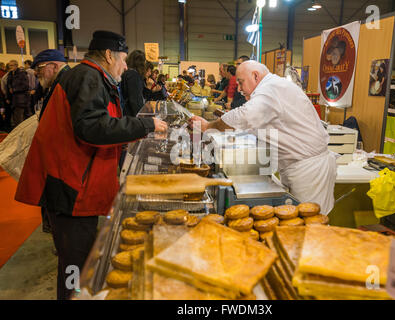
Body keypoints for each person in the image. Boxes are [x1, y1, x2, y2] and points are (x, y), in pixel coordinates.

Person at [15, 30, 167, 300]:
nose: (124, 66)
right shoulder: (88, 76)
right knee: (76, 266)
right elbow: (92, 127)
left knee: (79, 262)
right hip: (70, 188)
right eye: (122, 60)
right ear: (109, 55)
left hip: (75, 185)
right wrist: (145, 125)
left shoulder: (92, 76)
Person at [189, 61, 337, 214]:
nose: (239, 89)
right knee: (296, 222)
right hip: (296, 167)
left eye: (241, 82)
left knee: (311, 223)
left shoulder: (272, 88)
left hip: (309, 171)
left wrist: (209, 127)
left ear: (255, 76)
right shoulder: (269, 90)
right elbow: (251, 127)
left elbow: (245, 117)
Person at [31, 49, 71, 234]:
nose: (37, 73)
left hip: (62, 162)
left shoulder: (65, 83)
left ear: (54, 66)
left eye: (39, 68)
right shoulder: (57, 84)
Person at [121, 50, 147, 117]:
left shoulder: (127, 73)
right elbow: (135, 100)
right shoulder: (133, 75)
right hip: (131, 115)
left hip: (126, 113)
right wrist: (142, 118)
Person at [6, 60, 32, 127]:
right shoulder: (10, 74)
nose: (10, 67)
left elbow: (26, 86)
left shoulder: (22, 73)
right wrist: (7, 97)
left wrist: (14, 89)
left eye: (12, 65)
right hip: (14, 99)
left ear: (16, 66)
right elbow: (8, 86)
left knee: (21, 119)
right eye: (9, 65)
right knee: (16, 119)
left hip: (22, 99)